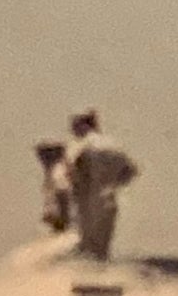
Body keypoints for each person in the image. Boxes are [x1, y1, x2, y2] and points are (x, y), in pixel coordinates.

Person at [59, 108, 139, 262]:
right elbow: (131, 171)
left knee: (87, 248)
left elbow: (72, 174)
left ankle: (87, 279)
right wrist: (112, 184)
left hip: (89, 201)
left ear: (83, 125)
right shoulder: (113, 145)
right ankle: (101, 278)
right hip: (109, 200)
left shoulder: (81, 146)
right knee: (103, 249)